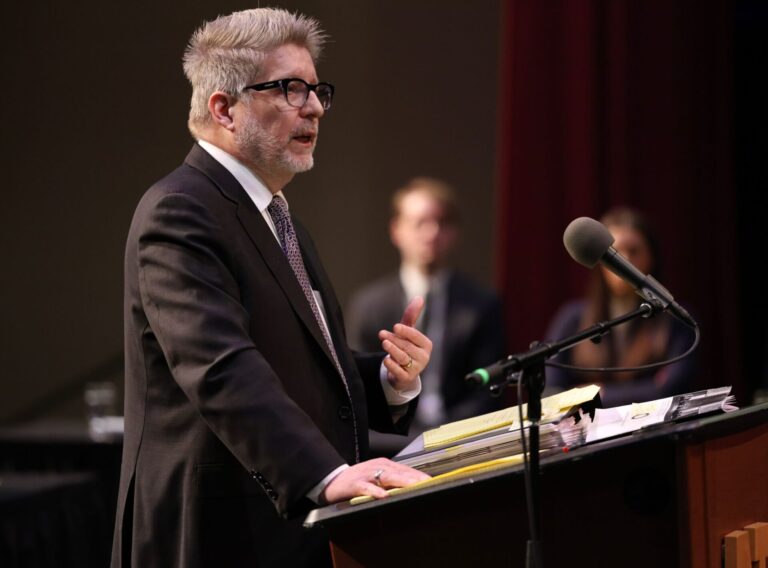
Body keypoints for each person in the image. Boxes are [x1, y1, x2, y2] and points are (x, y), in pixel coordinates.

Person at [111, 9, 432, 568]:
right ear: (223, 109)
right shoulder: (180, 211)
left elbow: (296, 368)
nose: (312, 107)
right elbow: (222, 370)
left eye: (315, 90)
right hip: (215, 531)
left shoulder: (277, 216)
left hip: (287, 528)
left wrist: (385, 380)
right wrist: (326, 475)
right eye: (288, 89)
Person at [346, 178, 507, 455]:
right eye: (420, 222)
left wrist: (444, 435)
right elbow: (357, 389)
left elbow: (489, 389)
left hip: (461, 436)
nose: (432, 233)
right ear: (396, 230)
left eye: (442, 223)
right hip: (392, 439)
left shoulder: (482, 304)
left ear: (455, 232)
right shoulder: (368, 305)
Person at [544, 207, 696, 407]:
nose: (626, 260)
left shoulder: (675, 317)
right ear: (598, 260)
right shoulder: (572, 317)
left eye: (634, 251)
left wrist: (594, 391)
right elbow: (552, 392)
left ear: (651, 257)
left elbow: (669, 389)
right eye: (615, 252)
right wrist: (646, 386)